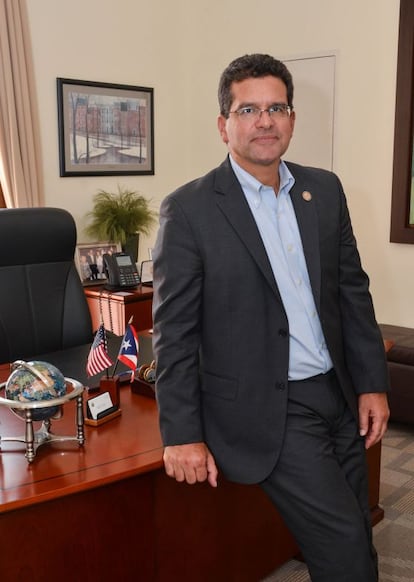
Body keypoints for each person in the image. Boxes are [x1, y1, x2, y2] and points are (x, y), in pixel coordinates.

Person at [152, 53, 390, 581]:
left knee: (358, 525)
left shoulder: (323, 190)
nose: (265, 120)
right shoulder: (189, 210)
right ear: (224, 125)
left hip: (339, 393)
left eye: (276, 107)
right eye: (248, 109)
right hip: (272, 410)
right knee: (346, 545)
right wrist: (181, 433)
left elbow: (352, 293)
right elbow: (175, 332)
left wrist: (372, 384)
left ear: (292, 119)